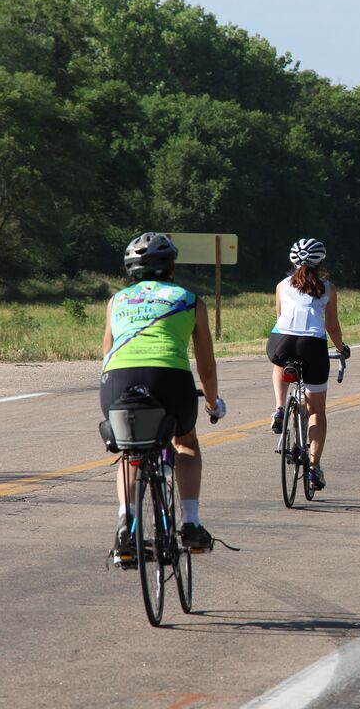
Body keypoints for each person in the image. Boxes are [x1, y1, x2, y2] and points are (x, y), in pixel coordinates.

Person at [101, 232, 226, 564]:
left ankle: (126, 526)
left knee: (130, 451)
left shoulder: (116, 302)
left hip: (118, 379)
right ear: (171, 270)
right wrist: (213, 403)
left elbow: (106, 354)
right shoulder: (189, 299)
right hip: (169, 378)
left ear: (131, 275)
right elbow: (206, 366)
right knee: (185, 440)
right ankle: (191, 523)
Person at [267, 238, 350, 491]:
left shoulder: (281, 285)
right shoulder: (327, 288)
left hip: (280, 342)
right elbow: (332, 326)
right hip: (312, 347)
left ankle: (280, 408)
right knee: (317, 412)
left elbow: (281, 318)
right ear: (320, 262)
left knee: (280, 362)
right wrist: (340, 348)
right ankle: (313, 468)